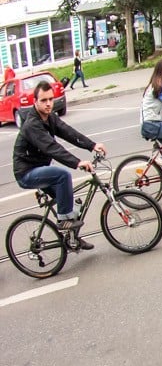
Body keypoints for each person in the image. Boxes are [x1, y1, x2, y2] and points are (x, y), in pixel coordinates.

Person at [13, 81, 106, 248]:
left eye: (51, 99)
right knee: (63, 176)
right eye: (43, 100)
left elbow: (68, 132)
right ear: (35, 101)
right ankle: (63, 221)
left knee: (70, 200)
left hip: (40, 169)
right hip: (26, 173)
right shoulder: (32, 125)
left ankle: (72, 240)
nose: (49, 104)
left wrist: (91, 145)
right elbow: (52, 148)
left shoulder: (50, 117)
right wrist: (77, 163)